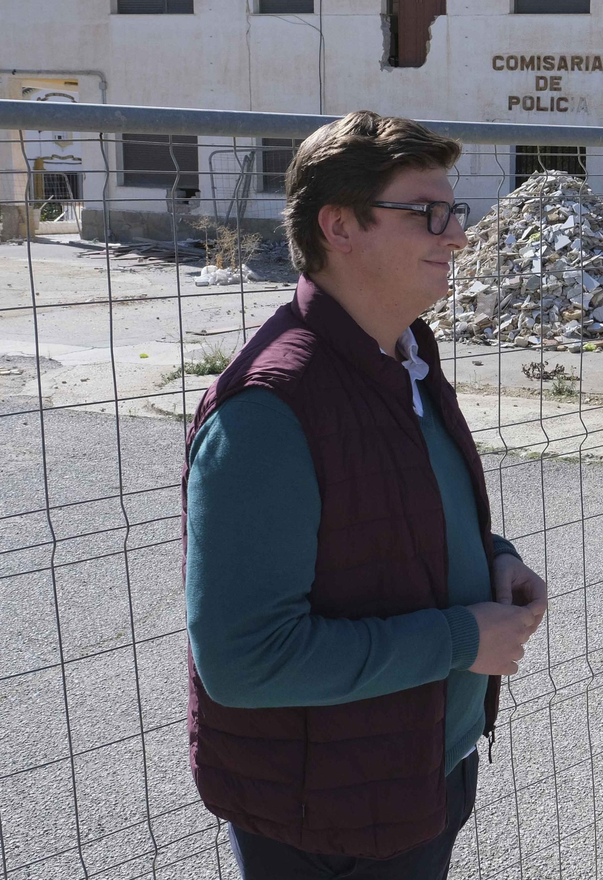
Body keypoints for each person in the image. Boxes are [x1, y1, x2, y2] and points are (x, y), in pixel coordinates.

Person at [182, 111, 548, 879]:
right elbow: (245, 661)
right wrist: (461, 639)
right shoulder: (270, 410)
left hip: (414, 775)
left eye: (455, 213)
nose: (457, 236)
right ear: (340, 226)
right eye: (428, 213)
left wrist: (492, 558)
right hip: (326, 816)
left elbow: (388, 515)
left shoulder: (404, 353)